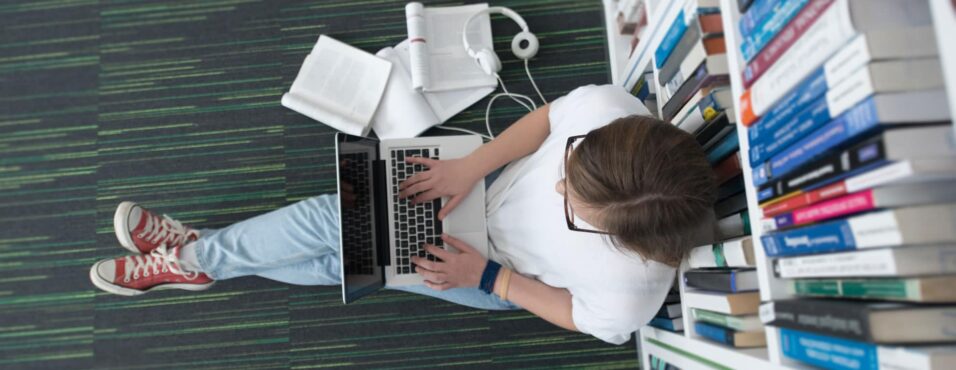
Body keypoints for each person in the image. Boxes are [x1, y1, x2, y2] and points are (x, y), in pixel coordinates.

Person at [88, 85, 716, 344]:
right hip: (478, 191)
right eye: (570, 169)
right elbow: (550, 120)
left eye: (575, 208)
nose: (556, 188)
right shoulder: (607, 110)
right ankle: (201, 259)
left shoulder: (631, 291)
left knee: (346, 239)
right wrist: (472, 167)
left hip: (498, 275)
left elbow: (581, 316)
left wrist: (490, 280)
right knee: (350, 237)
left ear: (624, 241)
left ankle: (196, 257)